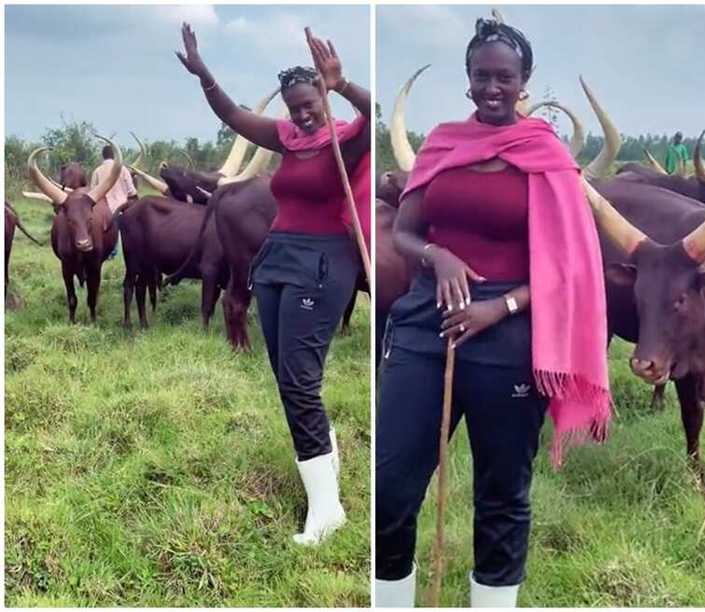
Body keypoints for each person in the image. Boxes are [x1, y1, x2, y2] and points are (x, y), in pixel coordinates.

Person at [375, 17, 612, 608]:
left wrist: (499, 307)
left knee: (503, 493)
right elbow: (404, 233)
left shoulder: (547, 157)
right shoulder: (442, 145)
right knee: (391, 485)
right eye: (482, 76)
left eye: (504, 77)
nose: (492, 87)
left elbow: (569, 264)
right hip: (424, 325)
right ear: (468, 80)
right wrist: (439, 255)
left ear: (523, 81)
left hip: (509, 335)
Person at [176, 22, 370, 546]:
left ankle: (326, 510)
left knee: (302, 382)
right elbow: (234, 115)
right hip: (277, 260)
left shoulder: (346, 139)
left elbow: (372, 114)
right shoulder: (287, 137)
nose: (302, 113)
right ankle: (325, 472)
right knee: (288, 378)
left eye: (310, 102)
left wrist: (344, 84)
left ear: (324, 98)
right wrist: (203, 73)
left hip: (324, 263)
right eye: (294, 105)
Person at [90, 144, 137, 258]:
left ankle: (108, 255)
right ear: (115, 156)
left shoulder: (97, 171)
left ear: (103, 156)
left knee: (106, 236)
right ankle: (119, 257)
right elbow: (132, 192)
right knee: (122, 236)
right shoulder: (124, 170)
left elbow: (92, 193)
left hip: (104, 211)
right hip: (122, 209)